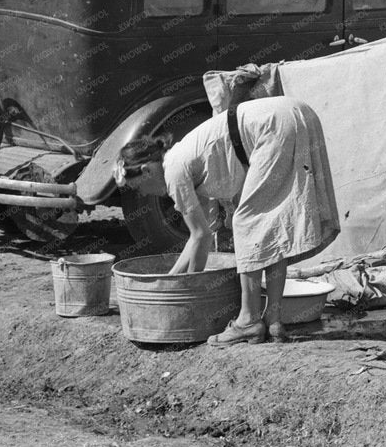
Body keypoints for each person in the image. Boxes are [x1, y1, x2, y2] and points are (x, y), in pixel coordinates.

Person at [115, 95, 341, 344]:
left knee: (247, 223)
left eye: (137, 187)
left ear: (146, 170)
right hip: (294, 113)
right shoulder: (181, 158)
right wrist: (170, 282)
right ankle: (273, 320)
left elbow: (199, 238)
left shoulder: (174, 173)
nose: (142, 193)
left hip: (275, 124)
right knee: (270, 228)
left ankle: (248, 321)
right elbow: (199, 237)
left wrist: (173, 288)